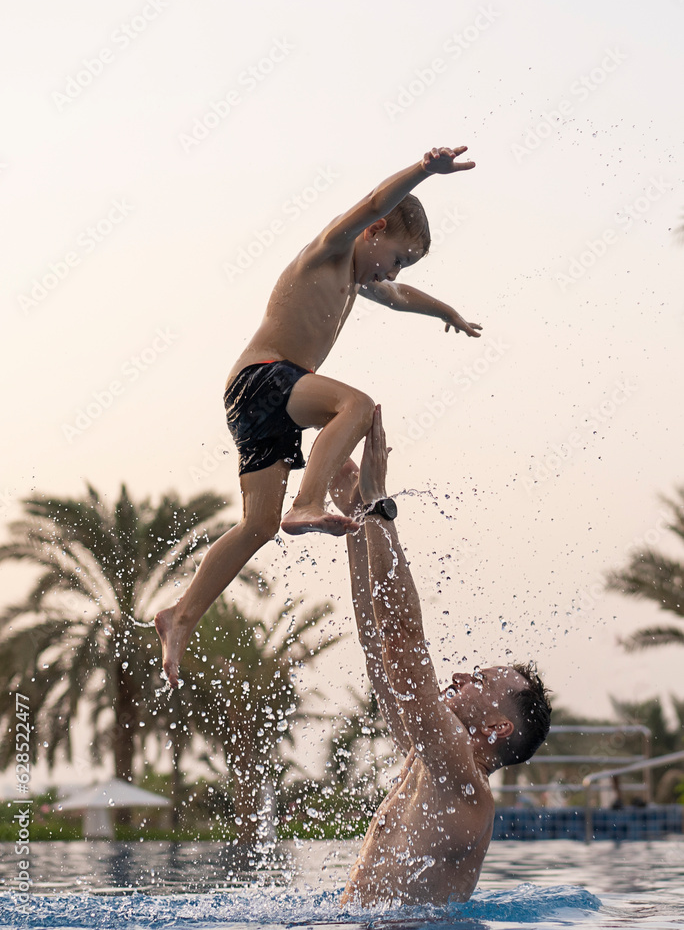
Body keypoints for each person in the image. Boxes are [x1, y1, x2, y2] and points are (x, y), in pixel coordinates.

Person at [156, 146, 482, 686]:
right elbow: (380, 198)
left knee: (257, 526)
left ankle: (181, 615)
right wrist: (425, 170)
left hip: (261, 406)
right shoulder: (330, 249)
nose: (393, 271)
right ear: (374, 231)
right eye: (397, 256)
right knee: (355, 406)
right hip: (265, 376)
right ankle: (307, 503)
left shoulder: (358, 279)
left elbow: (398, 296)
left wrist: (445, 310)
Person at [330, 407, 552, 906]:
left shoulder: (463, 785)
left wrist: (380, 506)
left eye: (478, 679)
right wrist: (356, 518)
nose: (458, 675)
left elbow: (404, 642)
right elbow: (377, 640)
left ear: (496, 728)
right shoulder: (425, 755)